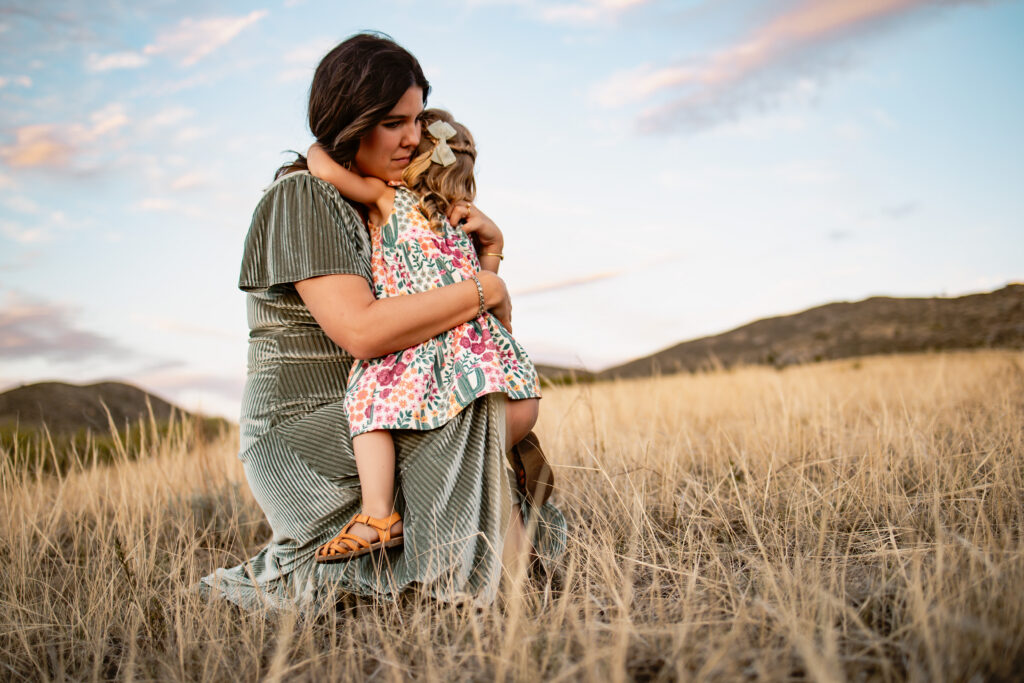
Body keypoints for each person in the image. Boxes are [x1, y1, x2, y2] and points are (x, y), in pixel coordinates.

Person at [199, 33, 565, 610]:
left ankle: (508, 599)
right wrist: (482, 287)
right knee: (471, 420)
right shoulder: (304, 198)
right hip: (312, 423)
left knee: (479, 402)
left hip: (391, 399)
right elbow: (362, 331)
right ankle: (503, 603)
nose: (415, 138)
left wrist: (489, 257)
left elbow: (487, 342)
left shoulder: (407, 206)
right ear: (351, 121)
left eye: (420, 120)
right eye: (395, 122)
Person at [304, 109, 544, 564]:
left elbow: (324, 169)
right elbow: (486, 294)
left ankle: (378, 514)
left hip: (423, 352)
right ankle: (520, 574)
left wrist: (318, 146)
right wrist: (493, 247)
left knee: (366, 401)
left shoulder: (388, 198)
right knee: (489, 469)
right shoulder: (459, 224)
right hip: (483, 365)